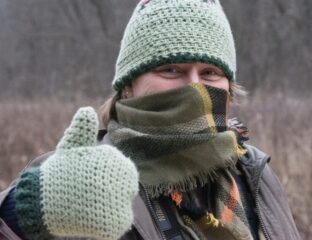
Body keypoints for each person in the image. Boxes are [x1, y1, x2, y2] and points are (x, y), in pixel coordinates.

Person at [0, 0, 301, 239]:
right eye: (171, 69)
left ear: (229, 86)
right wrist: (26, 212)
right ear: (128, 86)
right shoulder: (78, 174)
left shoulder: (253, 173)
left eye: (210, 72)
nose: (194, 87)